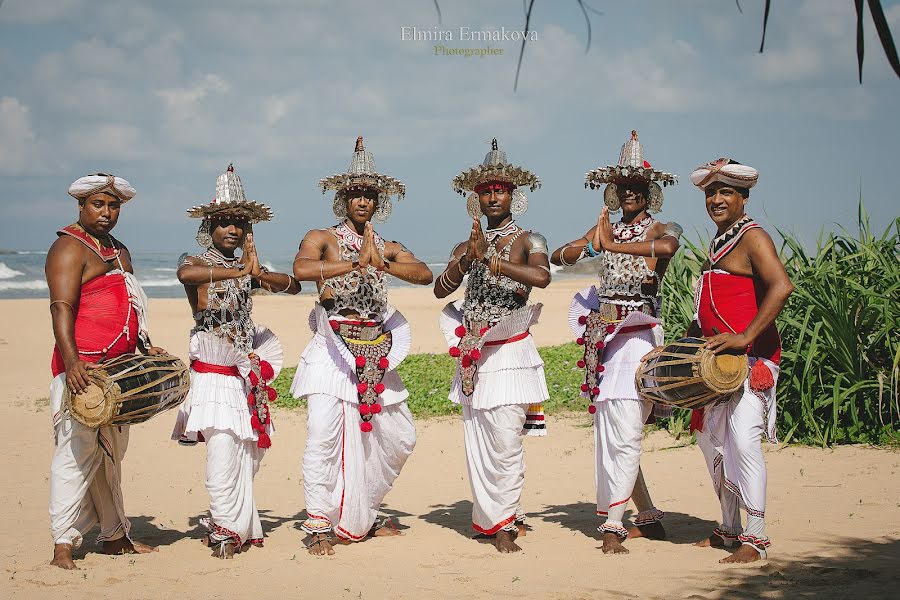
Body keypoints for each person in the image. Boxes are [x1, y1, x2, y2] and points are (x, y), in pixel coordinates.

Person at [291, 137, 432, 556]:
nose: (362, 201)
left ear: (379, 201)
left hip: (376, 352)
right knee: (322, 436)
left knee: (399, 436)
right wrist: (356, 263)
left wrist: (381, 262)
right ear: (342, 198)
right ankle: (319, 521)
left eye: (370, 195)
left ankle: (361, 510)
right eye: (355, 194)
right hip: (331, 351)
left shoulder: (386, 245)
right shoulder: (322, 237)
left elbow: (424, 274)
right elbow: (300, 270)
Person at [551, 131, 681, 554]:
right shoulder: (607, 227)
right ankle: (647, 516)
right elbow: (559, 255)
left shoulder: (661, 227)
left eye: (636, 188)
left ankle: (612, 524)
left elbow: (668, 246)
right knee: (612, 430)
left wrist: (611, 244)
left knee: (624, 430)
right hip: (604, 338)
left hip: (639, 334)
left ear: (649, 192)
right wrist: (581, 248)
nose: (628, 194)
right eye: (623, 188)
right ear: (614, 191)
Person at [171, 164, 300, 558]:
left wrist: (258, 273)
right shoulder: (197, 261)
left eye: (239, 224)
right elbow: (183, 274)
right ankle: (225, 529)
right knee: (223, 450)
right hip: (212, 376)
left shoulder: (247, 270)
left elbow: (293, 287)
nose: (232, 229)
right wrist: (238, 271)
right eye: (225, 222)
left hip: (243, 375)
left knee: (247, 453)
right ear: (209, 225)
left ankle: (232, 521)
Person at [434, 139, 550, 553]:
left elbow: (541, 279)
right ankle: (493, 518)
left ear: (512, 196)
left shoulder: (530, 239)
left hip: (512, 351)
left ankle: (504, 521)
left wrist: (494, 262)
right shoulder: (465, 245)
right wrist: (468, 259)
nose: (494, 196)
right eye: (486, 190)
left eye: (500, 189)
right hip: (473, 356)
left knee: (505, 441)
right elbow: (439, 290)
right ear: (476, 199)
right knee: (479, 441)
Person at [46, 174, 162, 569]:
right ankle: (63, 542)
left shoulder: (119, 249)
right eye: (98, 204)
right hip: (81, 371)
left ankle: (113, 535)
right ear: (81, 205)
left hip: (118, 374)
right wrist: (73, 360)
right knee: (75, 452)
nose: (107, 213)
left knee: (111, 453)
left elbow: (131, 304)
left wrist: (145, 347)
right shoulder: (68, 246)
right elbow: (61, 306)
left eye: (113, 206)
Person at [687, 158, 793, 563]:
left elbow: (782, 285)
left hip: (753, 362)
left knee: (744, 442)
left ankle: (756, 538)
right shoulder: (719, 241)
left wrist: (747, 337)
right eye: (711, 192)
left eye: (726, 191)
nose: (716, 199)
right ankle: (729, 529)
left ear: (743, 197)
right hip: (719, 365)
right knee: (712, 442)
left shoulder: (753, 237)